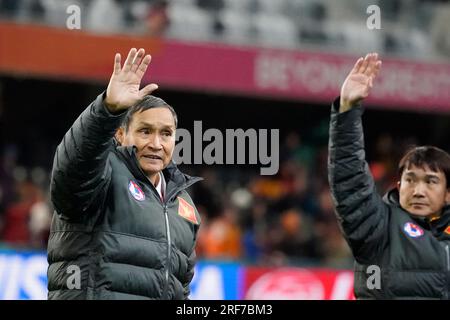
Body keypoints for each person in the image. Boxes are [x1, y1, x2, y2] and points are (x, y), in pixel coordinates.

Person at [47, 48, 202, 300]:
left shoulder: (184, 205)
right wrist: (106, 110)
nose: (156, 143)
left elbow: (180, 287)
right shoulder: (102, 173)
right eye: (144, 131)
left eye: (166, 134)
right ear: (120, 135)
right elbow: (72, 173)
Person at [328, 52, 450, 299]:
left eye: (431, 181)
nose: (418, 190)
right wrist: (347, 112)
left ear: (448, 194)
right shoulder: (378, 227)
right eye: (410, 180)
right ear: (399, 185)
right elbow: (350, 182)